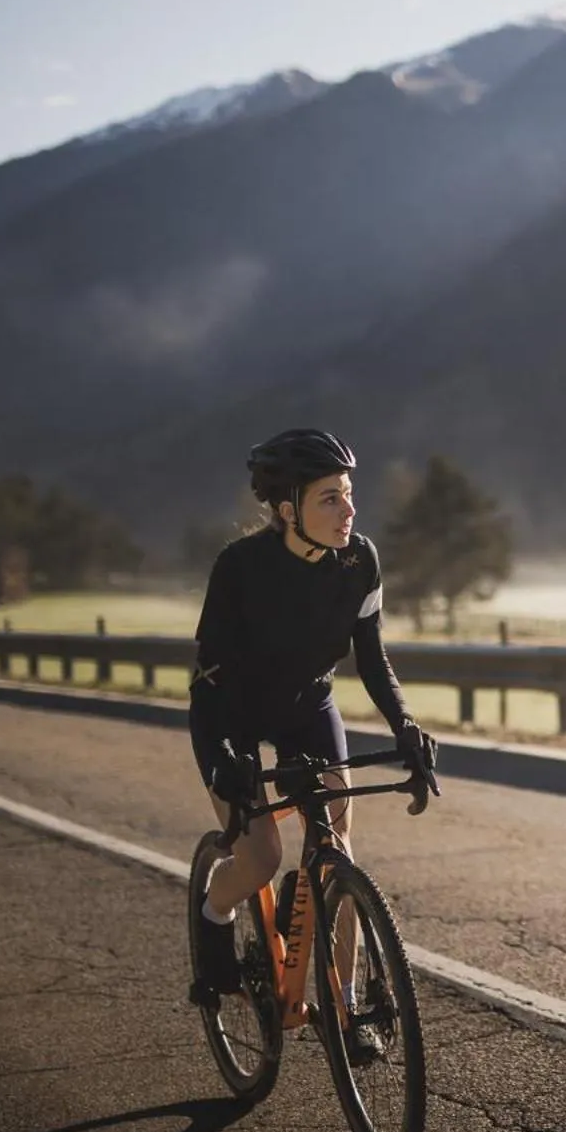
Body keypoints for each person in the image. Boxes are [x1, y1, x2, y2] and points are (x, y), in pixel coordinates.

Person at [188, 428, 435, 1013]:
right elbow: (210, 678)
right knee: (262, 856)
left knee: (337, 850)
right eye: (329, 498)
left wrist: (406, 728)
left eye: (348, 493)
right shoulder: (240, 568)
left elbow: (372, 660)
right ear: (286, 510)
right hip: (233, 716)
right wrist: (226, 755)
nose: (348, 509)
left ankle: (344, 1008)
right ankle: (214, 910)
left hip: (309, 705)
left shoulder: (359, 561)